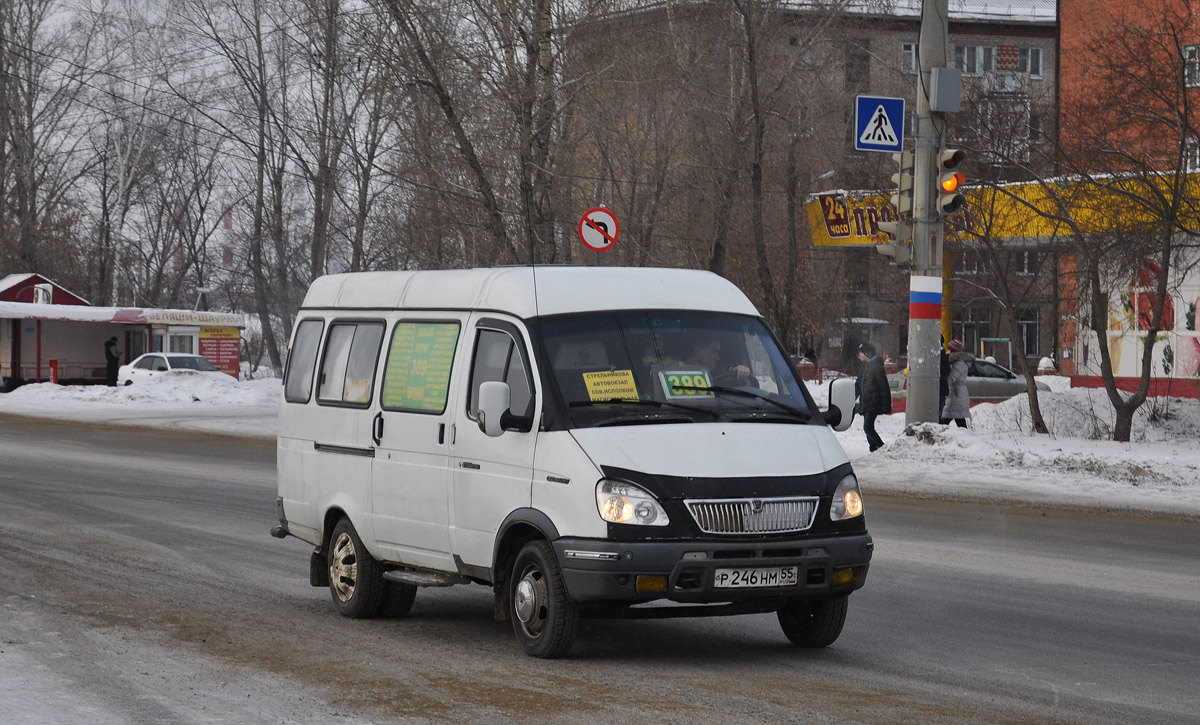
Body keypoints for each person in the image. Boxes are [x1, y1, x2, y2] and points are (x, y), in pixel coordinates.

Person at [856, 342, 891, 452]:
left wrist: (886, 405)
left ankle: (881, 447)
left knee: (867, 428)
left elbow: (884, 387)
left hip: (874, 402)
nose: (859, 355)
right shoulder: (864, 367)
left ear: (867, 353)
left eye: (861, 353)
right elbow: (858, 385)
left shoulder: (876, 367)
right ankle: (873, 448)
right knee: (867, 429)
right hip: (865, 402)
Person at [685, 338, 752, 385]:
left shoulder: (719, 374)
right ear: (698, 351)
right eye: (713, 352)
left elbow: (732, 389)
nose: (718, 358)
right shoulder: (675, 369)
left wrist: (738, 375)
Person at [941, 338, 973, 428]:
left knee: (947, 420)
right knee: (957, 420)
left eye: (949, 349)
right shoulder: (955, 362)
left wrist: (941, 381)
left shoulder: (960, 364)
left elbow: (951, 378)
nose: (947, 351)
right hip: (955, 395)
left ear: (953, 350)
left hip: (956, 395)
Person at [938, 336, 951, 423]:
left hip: (938, 386)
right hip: (942, 386)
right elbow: (947, 370)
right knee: (940, 408)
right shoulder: (943, 354)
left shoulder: (937, 353)